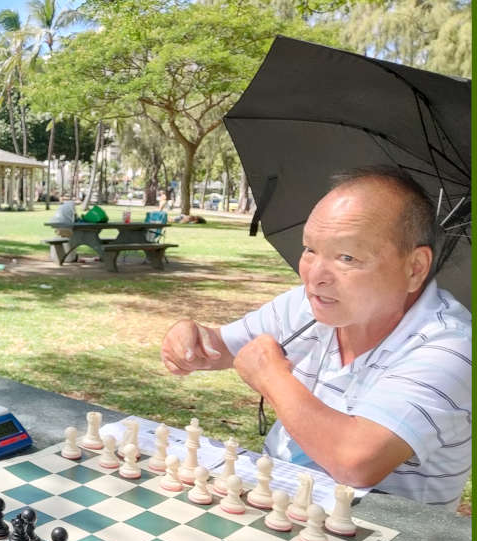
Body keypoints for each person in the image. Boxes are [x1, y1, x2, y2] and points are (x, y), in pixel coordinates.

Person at [160, 166, 471, 508]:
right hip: (279, 507)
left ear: (414, 268)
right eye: (310, 249)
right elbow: (218, 348)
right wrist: (188, 336)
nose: (314, 277)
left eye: (347, 257)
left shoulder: (450, 346)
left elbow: (356, 462)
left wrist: (271, 377)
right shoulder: (307, 305)